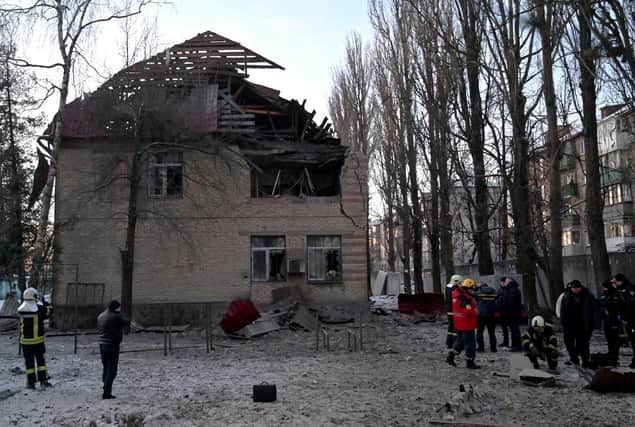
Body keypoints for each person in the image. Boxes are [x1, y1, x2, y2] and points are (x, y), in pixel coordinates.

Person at [18, 287, 53, 389]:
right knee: (41, 361)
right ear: (34, 296)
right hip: (38, 341)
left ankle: (30, 383)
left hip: (25, 342)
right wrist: (45, 302)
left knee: (29, 362)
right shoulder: (40, 309)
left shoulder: (21, 309)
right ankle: (43, 381)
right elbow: (50, 311)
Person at [97, 300, 131, 399]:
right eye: (119, 307)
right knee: (112, 369)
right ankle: (107, 392)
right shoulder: (115, 317)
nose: (120, 309)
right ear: (116, 307)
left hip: (102, 344)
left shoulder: (101, 316)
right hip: (112, 344)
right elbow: (127, 321)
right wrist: (120, 314)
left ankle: (105, 386)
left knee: (106, 367)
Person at [560, 280, 596, 367]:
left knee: (583, 344)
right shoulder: (566, 296)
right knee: (569, 343)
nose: (575, 290)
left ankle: (585, 360)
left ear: (580, 287)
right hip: (570, 324)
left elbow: (593, 310)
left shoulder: (587, 295)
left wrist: (592, 324)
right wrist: (564, 322)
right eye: (573, 288)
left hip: (582, 324)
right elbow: (562, 310)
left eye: (577, 288)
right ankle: (574, 358)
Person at [446, 278, 480, 369]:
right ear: (466, 288)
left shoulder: (458, 295)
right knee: (470, 344)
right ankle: (470, 362)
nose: (472, 290)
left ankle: (450, 357)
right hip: (467, 325)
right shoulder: (464, 298)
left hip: (459, 324)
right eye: (471, 289)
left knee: (459, 342)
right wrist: (476, 311)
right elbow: (469, 311)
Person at [613, 273, 635, 368]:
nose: (615, 283)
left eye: (616, 281)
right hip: (629, 319)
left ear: (620, 281)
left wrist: (626, 318)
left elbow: (629, 306)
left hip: (632, 320)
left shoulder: (629, 290)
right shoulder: (622, 289)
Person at [497, 276, 523, 351]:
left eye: (506, 281)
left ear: (509, 282)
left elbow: (510, 303)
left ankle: (516, 346)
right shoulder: (513, 289)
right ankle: (515, 345)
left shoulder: (512, 290)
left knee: (514, 330)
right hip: (514, 313)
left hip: (513, 314)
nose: (505, 283)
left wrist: (506, 312)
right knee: (514, 330)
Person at [599, 280, 621, 366]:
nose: (603, 289)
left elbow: (615, 307)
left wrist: (605, 307)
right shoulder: (604, 296)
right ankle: (612, 357)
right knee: (609, 341)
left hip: (614, 321)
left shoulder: (615, 295)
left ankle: (614, 358)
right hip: (607, 322)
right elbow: (601, 305)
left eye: (605, 287)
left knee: (614, 341)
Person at [475, 282, 498, 352]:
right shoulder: (494, 291)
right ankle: (493, 348)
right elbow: (497, 298)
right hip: (491, 315)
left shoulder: (479, 292)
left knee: (480, 332)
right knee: (492, 332)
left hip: (481, 315)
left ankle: (481, 347)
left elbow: (474, 296)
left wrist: (477, 287)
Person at [445, 274, 463, 349]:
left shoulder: (447, 287)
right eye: (460, 283)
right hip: (455, 311)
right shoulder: (455, 289)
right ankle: (456, 343)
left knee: (450, 328)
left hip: (449, 310)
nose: (461, 284)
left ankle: (449, 343)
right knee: (456, 328)